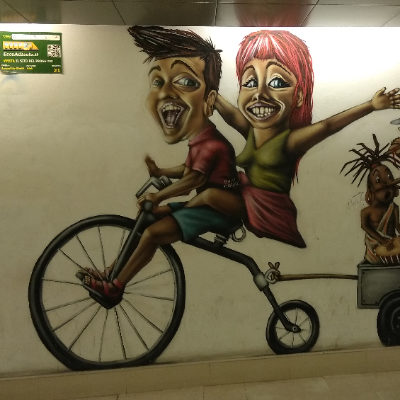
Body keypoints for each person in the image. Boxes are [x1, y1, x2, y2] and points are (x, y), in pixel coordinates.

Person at [183, 30, 400, 248]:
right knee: (211, 178)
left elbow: (328, 126)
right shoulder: (251, 132)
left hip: (269, 210)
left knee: (210, 195)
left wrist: (371, 106)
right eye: (250, 82)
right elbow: (230, 113)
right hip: (247, 199)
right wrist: (204, 84)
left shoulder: (289, 142)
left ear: (299, 97)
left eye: (277, 82)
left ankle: (176, 213)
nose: (259, 94)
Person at [79, 26, 243, 303]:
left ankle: (115, 285)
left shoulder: (211, 143)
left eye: (186, 81)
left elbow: (193, 181)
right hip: (205, 206)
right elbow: (188, 169)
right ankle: (111, 272)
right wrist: (161, 172)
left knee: (153, 233)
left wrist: (159, 195)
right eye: (157, 82)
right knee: (151, 217)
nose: (166, 93)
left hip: (218, 211)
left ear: (209, 101)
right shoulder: (202, 140)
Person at [342, 135, 400, 263]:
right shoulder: (366, 212)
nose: (386, 183)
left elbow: (397, 226)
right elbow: (365, 226)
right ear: (371, 189)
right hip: (376, 248)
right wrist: (382, 240)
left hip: (392, 247)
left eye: (389, 177)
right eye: (378, 180)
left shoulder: (394, 208)